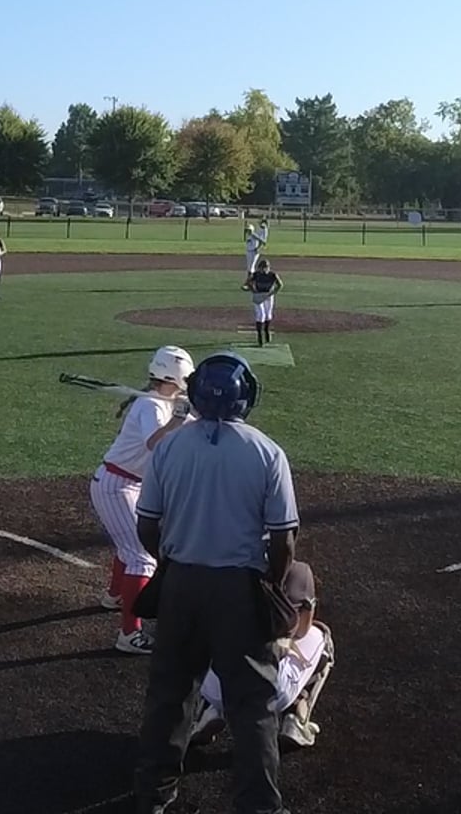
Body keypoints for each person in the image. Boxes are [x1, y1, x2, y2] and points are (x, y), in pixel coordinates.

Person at [132, 352, 300, 814]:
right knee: (252, 706)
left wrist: (170, 562)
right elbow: (284, 539)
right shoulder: (267, 452)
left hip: (181, 585)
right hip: (239, 590)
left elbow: (147, 525)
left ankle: (153, 795)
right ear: (248, 397)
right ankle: (258, 807)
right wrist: (270, 582)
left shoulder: (170, 448)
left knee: (169, 695)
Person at [90, 346, 196, 654]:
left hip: (128, 484)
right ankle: (129, 634)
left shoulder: (167, 402)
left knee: (129, 549)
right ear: (176, 377)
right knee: (142, 557)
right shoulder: (150, 406)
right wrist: (177, 420)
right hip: (117, 485)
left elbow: (194, 425)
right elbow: (154, 444)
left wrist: (194, 412)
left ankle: (114, 596)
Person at [190, 560, 335, 751]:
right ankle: (296, 717)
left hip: (216, 687)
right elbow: (302, 630)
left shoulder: (219, 564)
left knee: (205, 639)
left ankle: (206, 710)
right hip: (270, 691)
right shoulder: (298, 571)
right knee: (322, 636)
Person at [244, 259, 282, 346]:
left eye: (265, 268)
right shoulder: (256, 275)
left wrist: (273, 292)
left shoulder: (273, 275)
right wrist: (253, 290)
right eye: (261, 268)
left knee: (268, 315)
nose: (263, 270)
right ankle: (260, 336)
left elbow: (280, 285)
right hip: (259, 296)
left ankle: (266, 331)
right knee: (261, 315)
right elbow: (247, 283)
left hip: (268, 296)